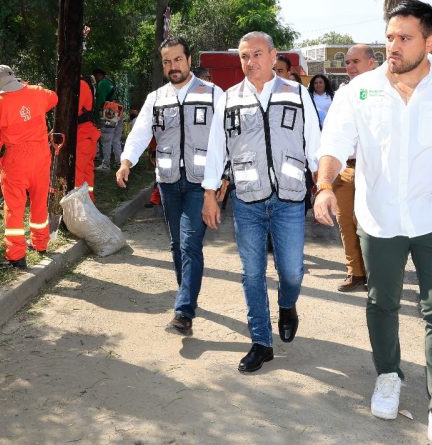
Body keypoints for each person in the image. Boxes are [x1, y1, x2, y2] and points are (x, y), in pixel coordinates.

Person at [313, 2, 432, 443]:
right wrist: (324, 185)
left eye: (404, 38)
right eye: (390, 37)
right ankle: (388, 375)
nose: (393, 47)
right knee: (381, 303)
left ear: (430, 41)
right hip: (378, 219)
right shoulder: (359, 89)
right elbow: (335, 142)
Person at [202, 31, 321, 373]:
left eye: (256, 54)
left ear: (273, 56)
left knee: (292, 271)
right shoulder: (229, 99)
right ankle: (260, 342)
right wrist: (210, 194)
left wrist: (324, 185)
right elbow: (216, 150)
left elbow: (314, 142)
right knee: (251, 273)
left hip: (289, 198)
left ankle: (287, 305)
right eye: (244, 56)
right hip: (247, 199)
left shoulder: (297, 93)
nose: (250, 62)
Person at [117, 36, 223, 335]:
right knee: (178, 244)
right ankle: (186, 294)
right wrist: (126, 161)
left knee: (190, 244)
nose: (173, 66)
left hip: (201, 183)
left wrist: (222, 179)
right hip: (167, 181)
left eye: (178, 60)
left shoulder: (213, 94)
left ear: (189, 60)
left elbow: (226, 138)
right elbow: (140, 133)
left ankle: (183, 313)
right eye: (167, 62)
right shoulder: (157, 97)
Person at [0, 65, 58, 267]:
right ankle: (40, 243)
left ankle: (16, 255)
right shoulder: (37, 92)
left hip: (16, 160)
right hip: (41, 156)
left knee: (15, 208)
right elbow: (54, 98)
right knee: (39, 199)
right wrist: (27, 89)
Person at [331, 44, 377, 293]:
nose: (349, 67)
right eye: (347, 63)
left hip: (372, 169)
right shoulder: (342, 93)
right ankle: (355, 273)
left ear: (371, 63)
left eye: (355, 62)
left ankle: (376, 275)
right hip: (345, 169)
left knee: (369, 225)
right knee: (346, 223)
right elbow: (332, 131)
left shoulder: (385, 91)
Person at [76, 76, 102, 201]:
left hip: (83, 135)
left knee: (78, 171)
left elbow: (73, 111)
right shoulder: (84, 84)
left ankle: (79, 204)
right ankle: (88, 202)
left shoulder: (80, 84)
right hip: (87, 134)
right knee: (86, 170)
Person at [93, 68, 123, 170]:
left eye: (95, 77)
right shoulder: (111, 82)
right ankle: (119, 162)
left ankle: (106, 164)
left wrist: (96, 112)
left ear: (98, 75)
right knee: (116, 140)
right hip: (118, 110)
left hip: (109, 112)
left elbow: (100, 100)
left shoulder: (102, 84)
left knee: (106, 139)